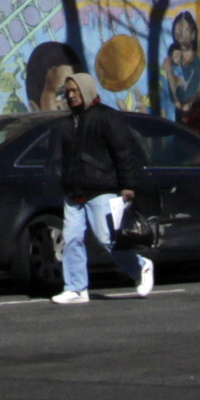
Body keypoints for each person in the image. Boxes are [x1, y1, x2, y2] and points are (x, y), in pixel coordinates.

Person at [47, 70, 154, 304]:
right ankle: (76, 288)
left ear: (86, 90)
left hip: (101, 188)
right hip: (74, 192)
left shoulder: (107, 117)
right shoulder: (67, 123)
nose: (71, 96)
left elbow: (123, 152)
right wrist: (60, 180)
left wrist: (127, 186)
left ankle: (141, 267)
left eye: (75, 91)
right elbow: (57, 157)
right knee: (72, 239)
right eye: (68, 92)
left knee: (107, 239)